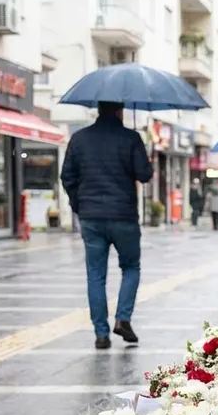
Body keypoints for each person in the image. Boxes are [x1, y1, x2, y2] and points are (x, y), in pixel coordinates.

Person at [60, 101, 152, 350]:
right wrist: (141, 152)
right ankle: (123, 318)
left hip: (91, 217)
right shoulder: (131, 138)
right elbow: (144, 174)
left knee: (95, 275)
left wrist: (79, 205)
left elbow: (67, 176)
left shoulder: (79, 139)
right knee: (131, 267)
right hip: (124, 216)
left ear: (98, 110)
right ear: (119, 111)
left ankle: (101, 334)